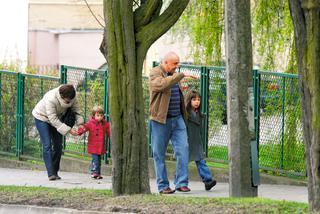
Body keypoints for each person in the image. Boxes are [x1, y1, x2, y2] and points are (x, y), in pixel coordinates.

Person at [149, 51, 195, 194]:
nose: (177, 66)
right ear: (165, 62)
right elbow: (162, 85)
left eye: (178, 63)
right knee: (159, 154)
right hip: (160, 120)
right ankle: (163, 186)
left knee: (183, 150)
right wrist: (179, 76)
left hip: (177, 119)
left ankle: (181, 182)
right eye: (175, 63)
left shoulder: (174, 75)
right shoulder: (155, 73)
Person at [32, 84, 84, 181]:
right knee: (47, 145)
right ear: (61, 96)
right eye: (67, 100)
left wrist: (80, 124)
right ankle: (51, 174)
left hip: (57, 119)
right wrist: (68, 130)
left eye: (71, 100)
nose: (69, 102)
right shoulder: (50, 98)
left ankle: (55, 172)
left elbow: (76, 110)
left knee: (58, 146)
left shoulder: (73, 96)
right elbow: (53, 119)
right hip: (42, 118)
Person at [185, 90, 217, 191]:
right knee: (183, 163)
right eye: (194, 99)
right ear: (189, 101)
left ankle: (208, 181)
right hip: (187, 142)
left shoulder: (199, 114)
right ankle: (180, 182)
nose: (197, 102)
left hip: (196, 142)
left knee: (201, 161)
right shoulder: (186, 114)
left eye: (198, 100)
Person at [77, 106, 110, 179]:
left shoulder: (105, 124)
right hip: (93, 145)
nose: (100, 117)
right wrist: (79, 131)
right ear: (93, 116)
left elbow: (109, 131)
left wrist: (112, 138)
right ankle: (94, 172)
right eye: (98, 115)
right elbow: (84, 128)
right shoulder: (90, 123)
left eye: (101, 115)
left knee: (98, 160)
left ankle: (97, 173)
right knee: (95, 159)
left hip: (100, 145)